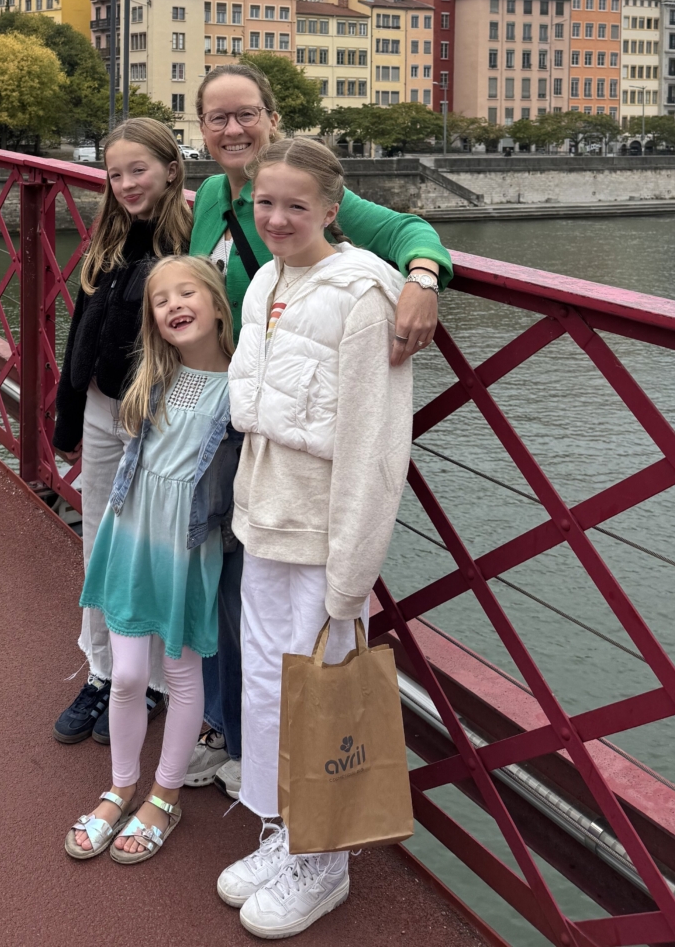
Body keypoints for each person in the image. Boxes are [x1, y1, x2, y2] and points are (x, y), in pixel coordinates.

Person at [183, 64, 450, 798]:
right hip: (231, 414)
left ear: (272, 116)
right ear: (200, 129)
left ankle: (279, 775)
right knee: (224, 587)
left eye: (246, 113)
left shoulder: (304, 190)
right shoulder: (212, 197)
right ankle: (232, 730)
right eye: (217, 117)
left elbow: (406, 231)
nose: (232, 129)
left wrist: (422, 278)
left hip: (295, 434)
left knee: (278, 614)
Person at [217, 138, 415, 936]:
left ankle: (325, 860)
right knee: (269, 682)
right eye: (266, 203)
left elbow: (375, 445)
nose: (276, 218)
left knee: (322, 690)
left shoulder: (364, 295)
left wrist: (352, 571)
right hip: (265, 514)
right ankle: (282, 828)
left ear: (333, 210)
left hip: (324, 527)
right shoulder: (269, 277)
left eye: (295, 206)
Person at [65, 256, 238, 863]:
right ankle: (120, 788)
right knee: (128, 674)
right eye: (160, 301)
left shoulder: (242, 387)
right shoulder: (154, 376)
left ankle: (164, 795)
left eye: (187, 293)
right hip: (132, 534)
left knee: (183, 674)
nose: (173, 306)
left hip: (186, 548)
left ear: (218, 304)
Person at [51, 119, 192, 747]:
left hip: (155, 417)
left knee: (153, 547)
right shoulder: (107, 238)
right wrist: (67, 414)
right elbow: (81, 328)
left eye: (140, 170)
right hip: (101, 407)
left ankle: (152, 680)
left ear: (171, 169)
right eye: (115, 174)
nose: (128, 184)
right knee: (100, 543)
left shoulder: (190, 240)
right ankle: (102, 669)